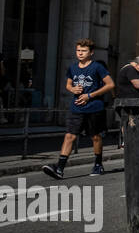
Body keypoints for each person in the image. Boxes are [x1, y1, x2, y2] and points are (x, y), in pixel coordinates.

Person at [42, 39, 114, 179]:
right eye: (78, 50)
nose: (80, 53)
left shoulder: (97, 67)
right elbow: (68, 84)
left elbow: (110, 84)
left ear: (91, 52)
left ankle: (98, 164)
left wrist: (90, 95)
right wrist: (72, 88)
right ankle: (59, 168)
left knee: (95, 137)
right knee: (70, 136)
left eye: (84, 51)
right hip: (77, 107)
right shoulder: (73, 67)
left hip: (94, 107)